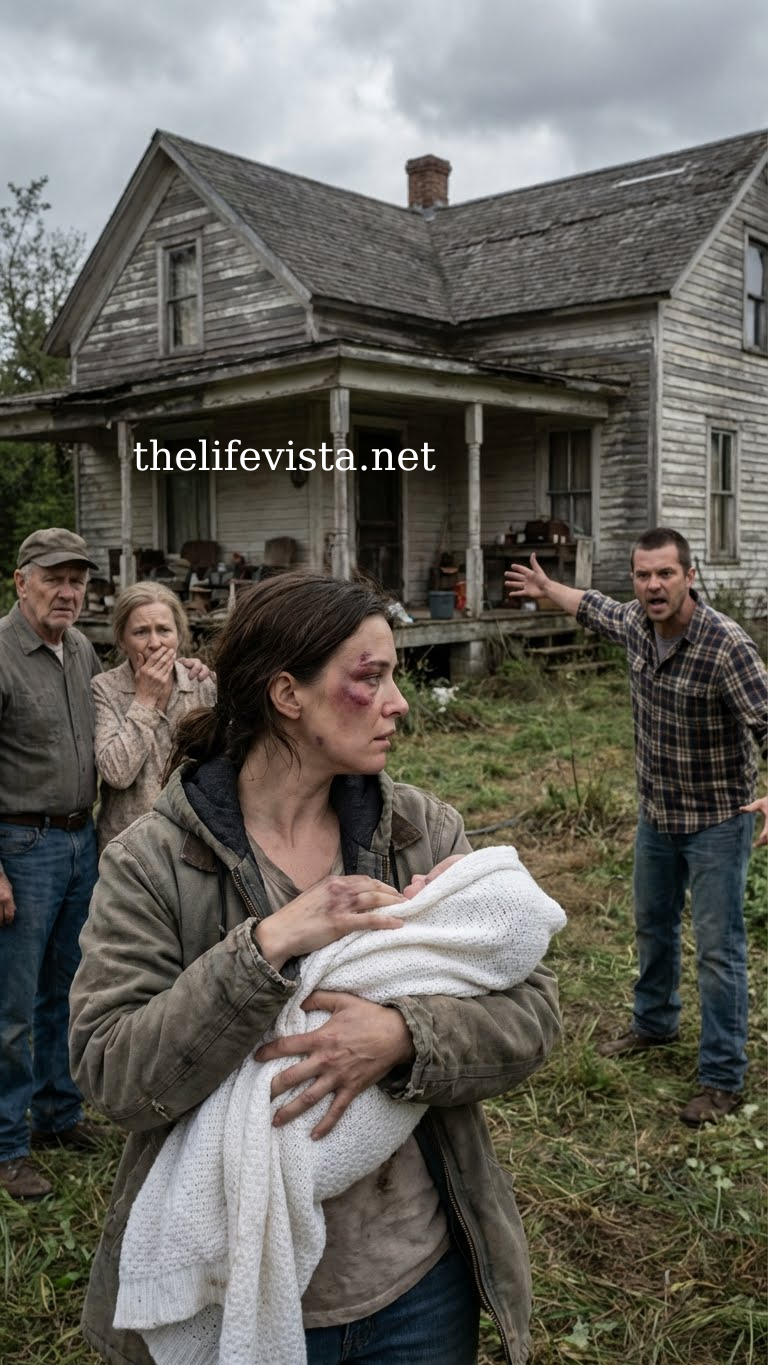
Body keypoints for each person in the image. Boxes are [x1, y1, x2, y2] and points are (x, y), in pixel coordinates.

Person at [69, 571, 561, 1365]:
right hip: (235, 1288)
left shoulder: (418, 831)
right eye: (372, 677)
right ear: (287, 694)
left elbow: (534, 1010)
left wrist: (403, 1036)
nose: (399, 702)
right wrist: (265, 943)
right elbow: (111, 1074)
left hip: (415, 1283)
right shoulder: (153, 862)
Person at [506, 527, 768, 1126]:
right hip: (657, 817)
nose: (654, 586)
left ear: (689, 577)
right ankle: (654, 1024)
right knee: (652, 926)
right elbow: (590, 606)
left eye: (665, 574)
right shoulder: (634, 624)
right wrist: (548, 588)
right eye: (644, 575)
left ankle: (722, 1078)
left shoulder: (726, 646)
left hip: (718, 822)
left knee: (719, 951)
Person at [0, 528, 103, 1202]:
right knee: (10, 1004)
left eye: (77, 580)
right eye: (54, 578)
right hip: (21, 845)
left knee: (67, 988)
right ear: (21, 581)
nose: (67, 591)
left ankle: (58, 1114)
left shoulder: (82, 649)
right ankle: (7, 1146)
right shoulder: (2, 653)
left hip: (78, 840)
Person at [92, 582, 217, 853]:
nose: (155, 643)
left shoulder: (203, 685)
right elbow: (116, 773)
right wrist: (145, 699)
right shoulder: (105, 688)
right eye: (141, 632)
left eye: (164, 630)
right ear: (122, 641)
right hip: (126, 849)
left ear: (179, 636)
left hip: (192, 845)